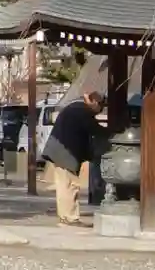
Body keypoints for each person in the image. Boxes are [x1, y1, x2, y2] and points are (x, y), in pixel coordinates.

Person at [42, 91, 107, 226]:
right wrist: (112, 131)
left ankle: (65, 216)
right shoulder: (82, 111)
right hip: (66, 153)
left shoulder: (76, 107)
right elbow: (95, 129)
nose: (100, 111)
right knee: (71, 186)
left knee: (63, 186)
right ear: (94, 102)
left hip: (58, 151)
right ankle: (71, 218)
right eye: (101, 107)